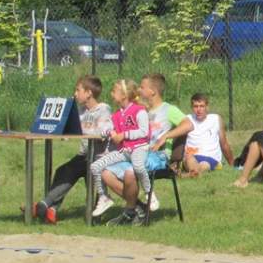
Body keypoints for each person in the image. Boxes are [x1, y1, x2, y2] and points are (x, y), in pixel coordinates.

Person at [96, 73, 186, 225]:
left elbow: (188, 124)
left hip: (157, 155)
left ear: (153, 91)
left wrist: (166, 136)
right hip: (133, 153)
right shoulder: (139, 110)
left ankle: (130, 212)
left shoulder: (168, 110)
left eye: (142, 87)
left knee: (130, 172)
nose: (138, 90)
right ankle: (138, 207)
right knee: (105, 173)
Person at [32, 76, 112, 224]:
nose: (75, 94)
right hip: (84, 156)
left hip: (99, 157)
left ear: (88, 93)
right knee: (63, 170)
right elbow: (69, 128)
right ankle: (51, 209)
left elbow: (103, 132)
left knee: (81, 173)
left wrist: (83, 132)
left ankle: (43, 205)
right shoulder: (79, 111)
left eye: (78, 90)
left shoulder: (103, 109)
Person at [89, 79, 152, 224]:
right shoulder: (117, 114)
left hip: (139, 153)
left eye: (114, 91)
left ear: (124, 95)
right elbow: (110, 128)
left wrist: (123, 135)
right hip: (124, 153)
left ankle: (134, 209)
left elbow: (143, 133)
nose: (111, 93)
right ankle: (134, 207)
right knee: (104, 172)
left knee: (130, 173)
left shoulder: (139, 111)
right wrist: (107, 131)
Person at [153, 92, 235, 176]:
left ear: (207, 107)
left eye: (202, 106)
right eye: (196, 106)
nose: (199, 110)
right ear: (192, 107)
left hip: (210, 157)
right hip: (191, 156)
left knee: (204, 164)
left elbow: (224, 144)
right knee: (188, 158)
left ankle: (188, 174)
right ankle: (193, 173)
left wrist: (232, 164)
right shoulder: (188, 120)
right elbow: (172, 133)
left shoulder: (215, 119)